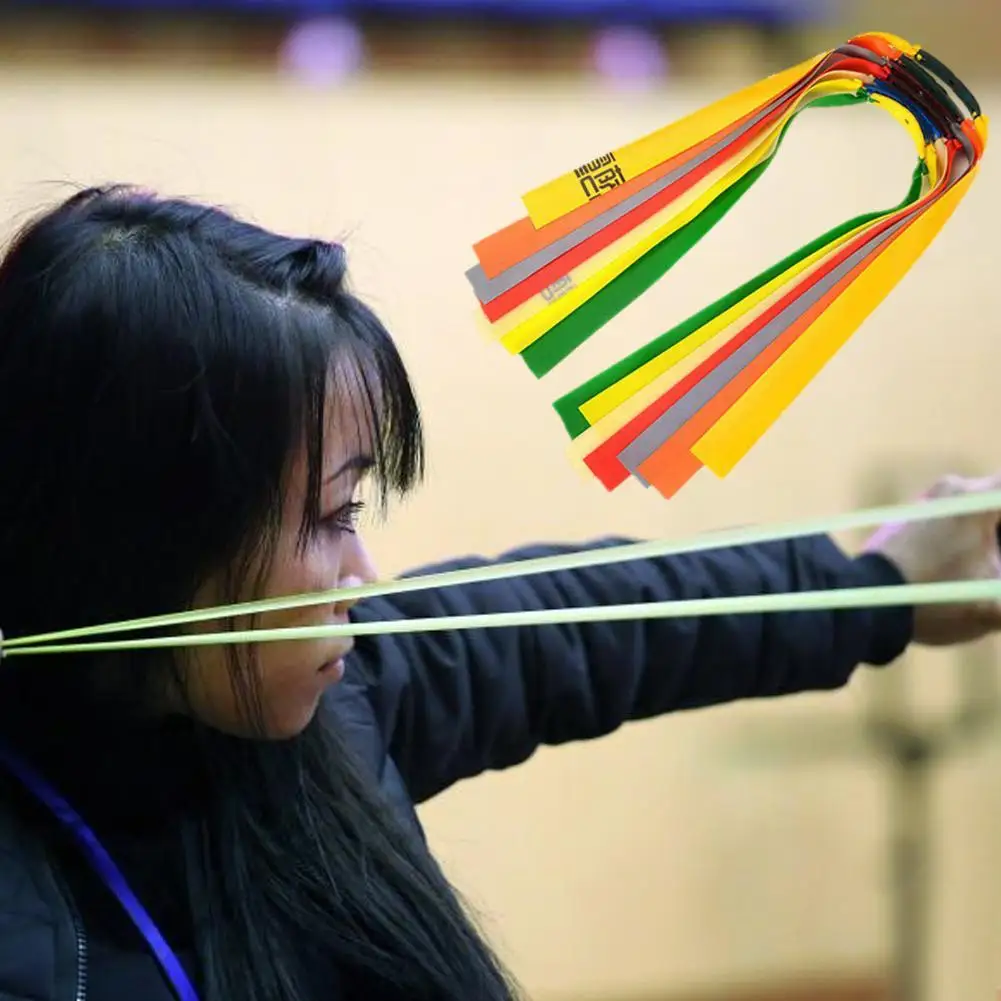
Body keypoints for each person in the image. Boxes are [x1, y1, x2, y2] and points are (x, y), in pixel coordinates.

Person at [0, 185, 996, 1001]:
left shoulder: (327, 702)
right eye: (332, 516)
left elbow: (594, 616)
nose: (363, 574)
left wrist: (881, 585)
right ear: (155, 538)